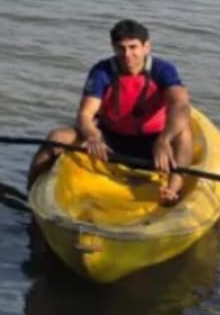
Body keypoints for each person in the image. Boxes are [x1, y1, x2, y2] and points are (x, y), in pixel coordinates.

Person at [29, 19, 193, 204]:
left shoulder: (163, 70)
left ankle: (172, 190)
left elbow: (181, 105)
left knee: (184, 133)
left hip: (153, 142)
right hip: (110, 141)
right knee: (57, 137)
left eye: (133, 47)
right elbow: (85, 114)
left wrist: (164, 140)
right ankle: (31, 195)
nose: (127, 54)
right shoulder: (102, 71)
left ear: (146, 47)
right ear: (113, 47)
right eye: (121, 48)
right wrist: (92, 134)